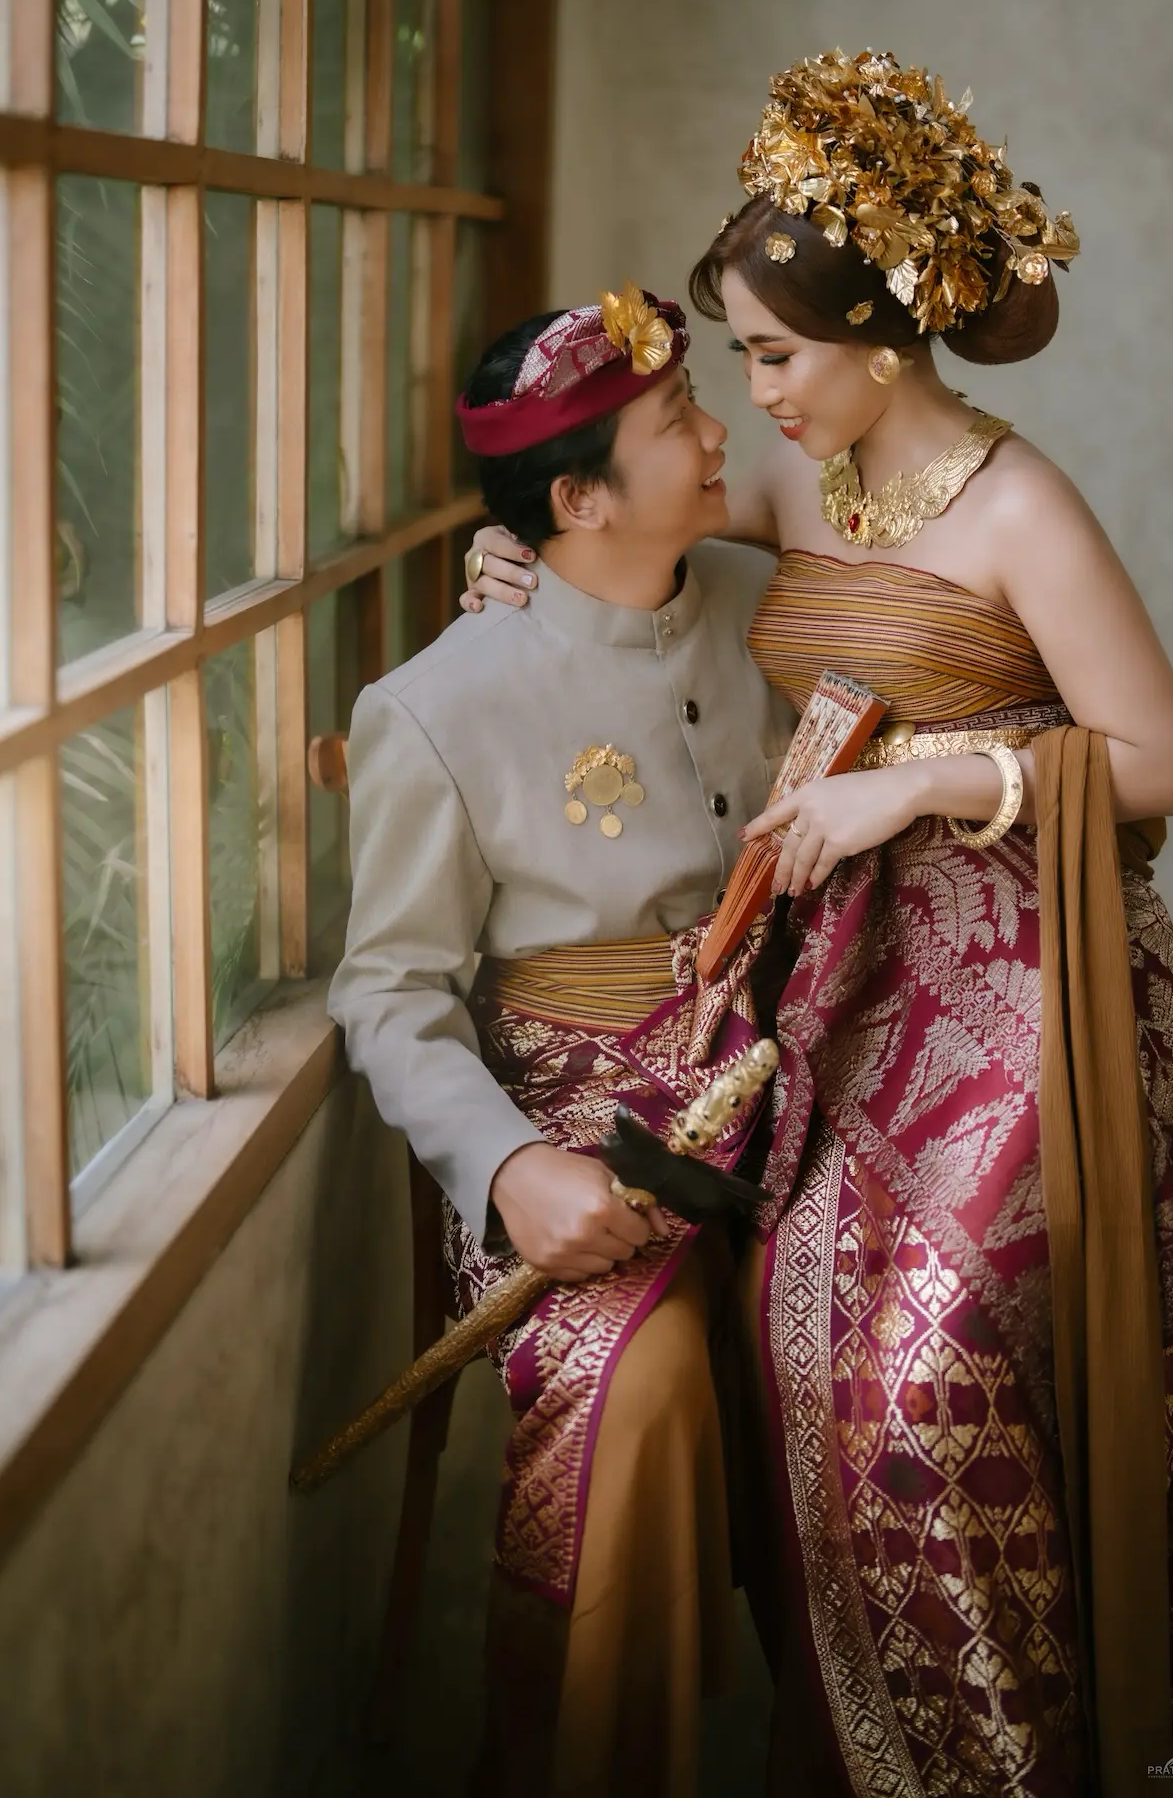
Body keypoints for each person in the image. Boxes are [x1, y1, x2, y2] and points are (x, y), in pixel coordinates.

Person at [461, 50, 1173, 1796]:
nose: (755, 397)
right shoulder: (810, 481)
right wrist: (523, 557)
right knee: (808, 1361)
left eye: (778, 356)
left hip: (1036, 994)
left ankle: (1020, 1762)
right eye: (741, 357)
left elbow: (1170, 760)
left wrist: (922, 785)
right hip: (850, 986)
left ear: (880, 342)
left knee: (930, 1386)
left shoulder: (1019, 508)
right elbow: (620, 503)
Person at [328, 284, 796, 1795]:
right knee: (633, 1382)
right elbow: (391, 992)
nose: (719, 433)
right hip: (571, 1116)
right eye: (678, 420)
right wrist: (509, 1168)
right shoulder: (435, 706)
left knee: (916, 1319)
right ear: (580, 500)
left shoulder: (768, 598)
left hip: (792, 1073)